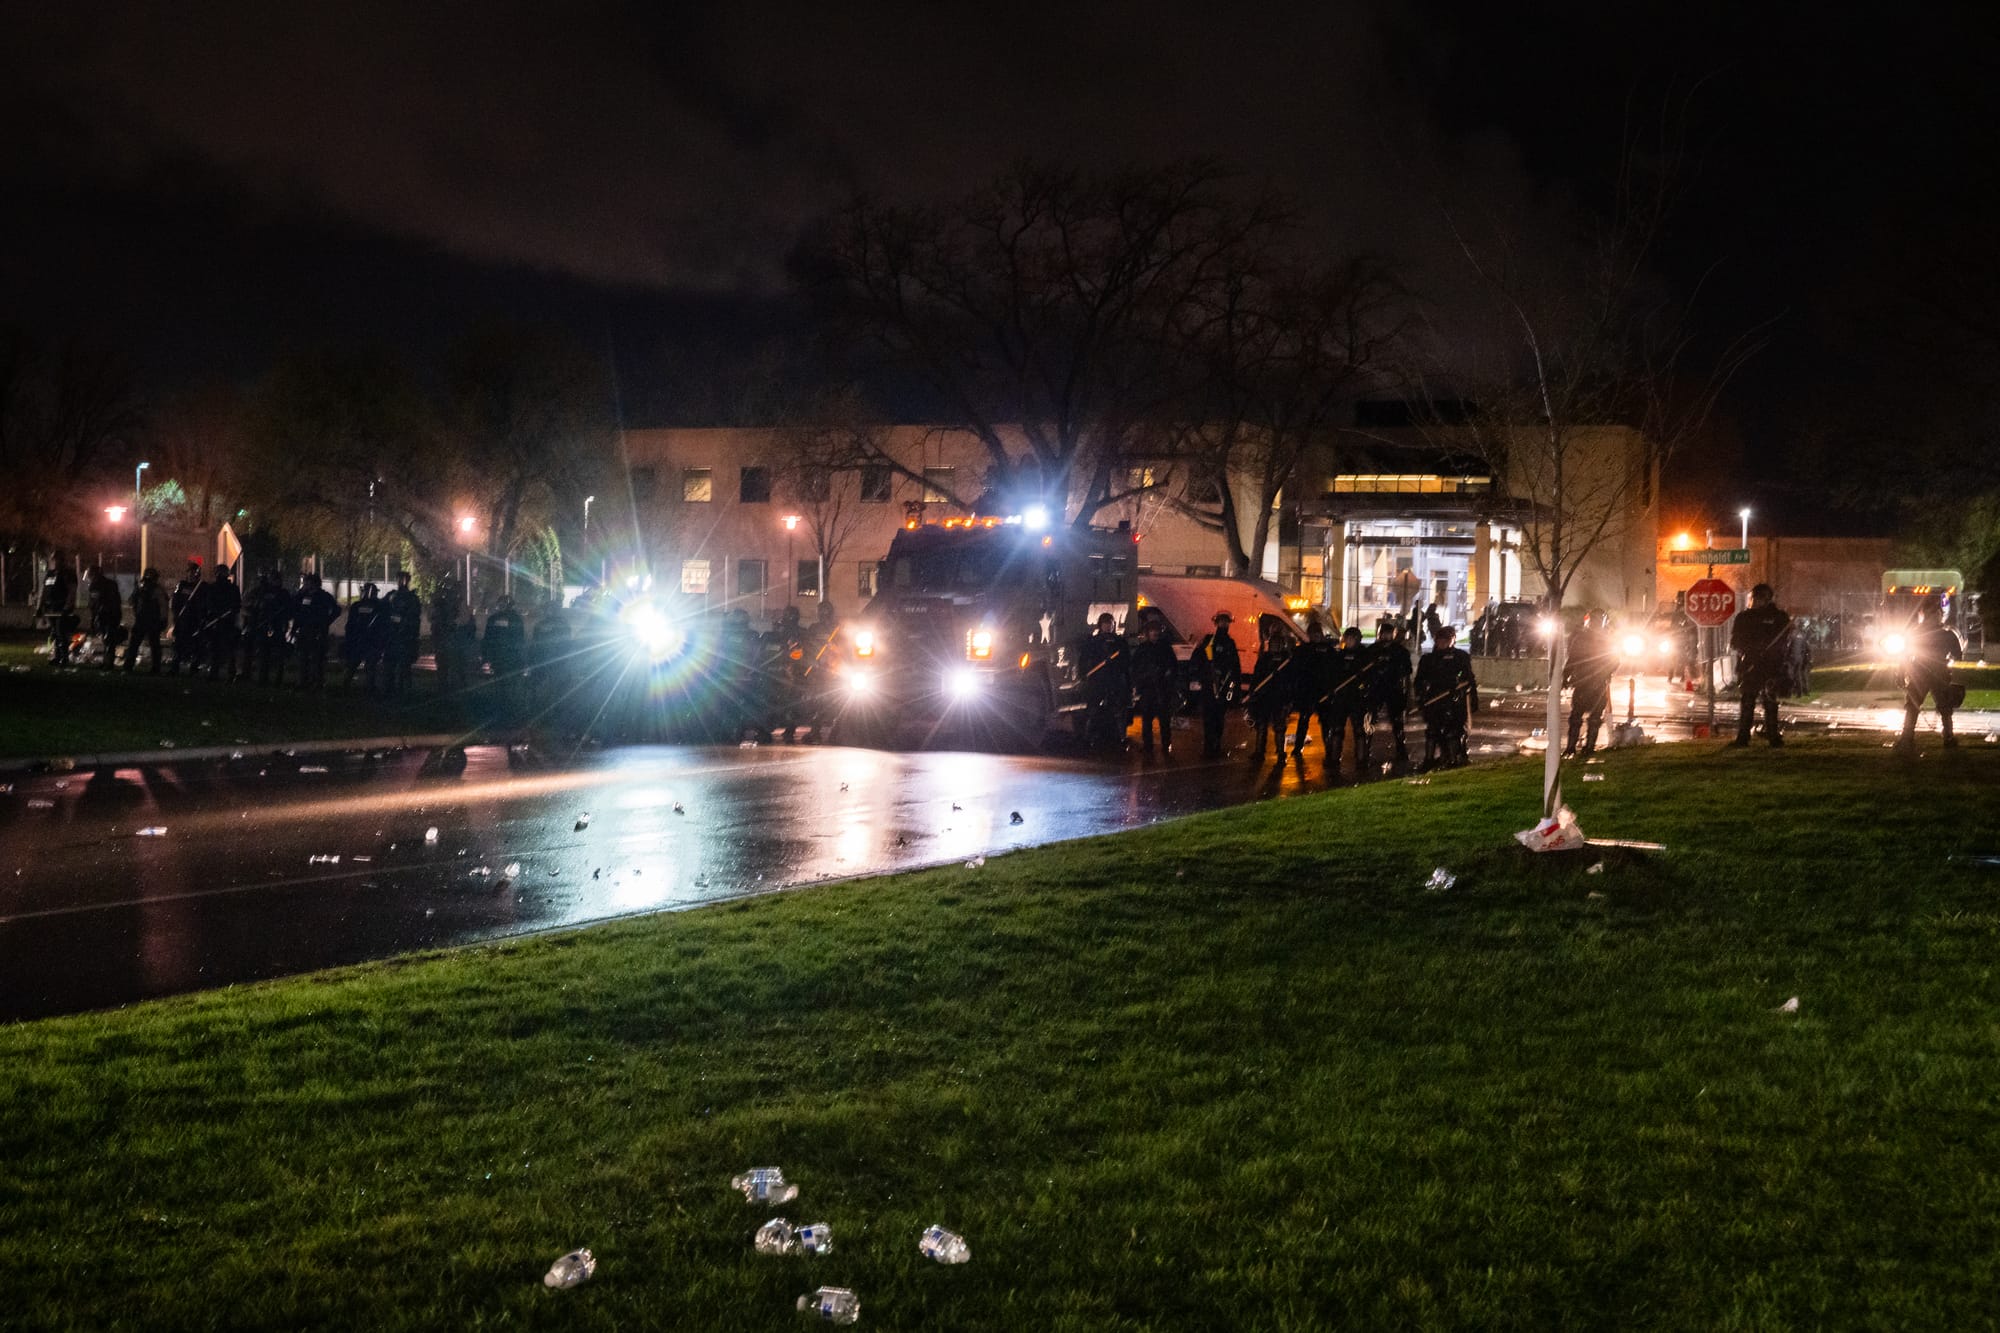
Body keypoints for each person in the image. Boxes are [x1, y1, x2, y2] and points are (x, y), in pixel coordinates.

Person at [1729, 582, 1792, 748]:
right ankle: (1743, 737)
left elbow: (1784, 640)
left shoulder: (1778, 617)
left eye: (1759, 598)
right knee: (1748, 701)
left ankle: (1773, 737)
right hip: (1750, 665)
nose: (1755, 601)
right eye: (1754, 598)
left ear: (1767, 599)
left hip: (1771, 667)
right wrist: (1752, 650)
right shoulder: (1744, 617)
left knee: (1770, 702)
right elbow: (1736, 641)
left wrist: (1769, 651)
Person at [1896, 599, 1963, 753]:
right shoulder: (1945, 634)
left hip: (1923, 672)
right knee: (1935, 706)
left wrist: (1901, 672)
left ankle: (1909, 738)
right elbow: (1958, 655)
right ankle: (1946, 737)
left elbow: (1905, 655)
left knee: (1923, 706)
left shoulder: (1917, 633)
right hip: (1934, 672)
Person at [1415, 624, 1479, 770]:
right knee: (1432, 731)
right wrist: (1421, 697)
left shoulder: (1460, 657)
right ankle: (1429, 759)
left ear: (1452, 640)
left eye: (1446, 640)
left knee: (1453, 731)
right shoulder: (1428, 659)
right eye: (1440, 640)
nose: (1442, 643)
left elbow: (1468, 678)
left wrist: (1471, 696)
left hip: (1454, 699)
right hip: (1434, 699)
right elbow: (1420, 680)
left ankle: (1454, 758)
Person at [1562, 610, 1616, 759]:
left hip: (1587, 682)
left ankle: (1574, 748)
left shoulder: (1585, 637)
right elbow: (1615, 661)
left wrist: (1566, 677)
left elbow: (1572, 659)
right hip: (1591, 683)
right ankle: (1584, 748)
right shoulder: (1604, 638)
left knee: (1581, 717)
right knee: (1588, 717)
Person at [1191, 610, 1241, 759]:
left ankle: (1216, 744)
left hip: (1223, 686)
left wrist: (1234, 689)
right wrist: (1203, 675)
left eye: (1226, 622)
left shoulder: (1230, 644)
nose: (1224, 624)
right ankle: (1207, 746)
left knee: (1219, 717)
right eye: (1221, 622)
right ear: (1216, 623)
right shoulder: (1208, 641)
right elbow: (1197, 659)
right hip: (1208, 686)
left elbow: (1235, 667)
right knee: (1208, 717)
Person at [1078, 612, 1131, 749]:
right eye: (1106, 623)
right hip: (1098, 680)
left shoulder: (1119, 642)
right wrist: (1084, 673)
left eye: (1111, 624)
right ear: (1101, 625)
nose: (1108, 626)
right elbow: (1084, 659)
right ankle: (1088, 738)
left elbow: (1126, 662)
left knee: (1118, 711)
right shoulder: (1093, 642)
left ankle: (1121, 739)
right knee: (1093, 710)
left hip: (1114, 680)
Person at [1366, 622, 1415, 769]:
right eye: (1383, 634)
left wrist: (1407, 694)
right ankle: (1365, 748)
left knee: (1397, 721)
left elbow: (1407, 671)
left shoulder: (1400, 651)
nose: (1385, 637)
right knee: (1370, 719)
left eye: (1388, 634)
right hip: (1376, 689)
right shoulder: (1373, 650)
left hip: (1394, 689)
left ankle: (1401, 748)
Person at [1244, 615, 1293, 761]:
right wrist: (1253, 692)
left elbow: (1290, 679)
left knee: (1279, 727)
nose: (1275, 647)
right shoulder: (1264, 658)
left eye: (1278, 644)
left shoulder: (1286, 659)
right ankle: (1259, 752)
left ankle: (1280, 754)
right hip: (1265, 697)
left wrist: (1288, 698)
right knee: (1261, 725)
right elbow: (1257, 676)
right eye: (1273, 644)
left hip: (1279, 697)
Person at [1324, 626, 1373, 771]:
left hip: (1357, 698)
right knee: (1337, 729)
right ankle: (1334, 758)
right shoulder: (1339, 656)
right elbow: (1333, 674)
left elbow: (1370, 676)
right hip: (1341, 697)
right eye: (1348, 638)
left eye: (1352, 638)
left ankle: (1361, 759)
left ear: (1358, 640)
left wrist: (1362, 683)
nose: (1349, 641)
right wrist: (1332, 689)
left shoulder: (1365, 656)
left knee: (1359, 730)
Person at [1130, 613, 1179, 757]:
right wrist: (1141, 681)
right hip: (1148, 690)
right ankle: (1148, 746)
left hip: (1162, 689)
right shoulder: (1143, 649)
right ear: (1147, 633)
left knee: (1164, 720)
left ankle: (1166, 744)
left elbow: (1173, 667)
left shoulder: (1165, 648)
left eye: (1156, 630)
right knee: (1147, 720)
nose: (1154, 633)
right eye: (1152, 631)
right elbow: (1135, 668)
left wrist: (1167, 677)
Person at [1287, 621, 1334, 758]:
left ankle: (1329, 749)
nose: (1316, 637)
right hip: (1308, 690)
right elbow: (1296, 668)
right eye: (1313, 634)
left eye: (1318, 634)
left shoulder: (1327, 650)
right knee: (1304, 719)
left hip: (1322, 691)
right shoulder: (1304, 650)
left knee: (1325, 722)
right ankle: (1298, 747)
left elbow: (1334, 668)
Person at [289, 573, 342, 690]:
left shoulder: (323, 596)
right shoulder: (302, 596)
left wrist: (326, 622)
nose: (305, 585)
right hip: (303, 630)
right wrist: (294, 628)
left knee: (317, 658)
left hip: (317, 631)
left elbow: (337, 610)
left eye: (307, 583)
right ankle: (303, 681)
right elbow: (295, 609)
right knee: (303, 657)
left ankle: (317, 682)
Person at [801, 601, 842, 742]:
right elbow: (807, 647)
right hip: (817, 671)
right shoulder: (814, 628)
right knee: (815, 702)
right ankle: (815, 730)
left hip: (833, 672)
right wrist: (809, 662)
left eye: (825, 611)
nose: (822, 614)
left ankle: (835, 731)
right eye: (821, 611)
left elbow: (845, 650)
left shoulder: (838, 629)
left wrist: (833, 651)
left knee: (834, 702)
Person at [245, 572, 290, 685]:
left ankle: (278, 679)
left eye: (278, 580)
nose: (276, 582)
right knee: (264, 653)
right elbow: (253, 606)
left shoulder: (283, 593)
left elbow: (288, 608)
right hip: (263, 625)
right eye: (274, 580)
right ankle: (262, 678)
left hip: (278, 626)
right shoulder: (262, 592)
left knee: (279, 655)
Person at [381, 571, 423, 695]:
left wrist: (411, 633)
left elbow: (415, 618)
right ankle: (390, 689)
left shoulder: (412, 598)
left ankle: (405, 690)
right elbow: (383, 610)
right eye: (399, 579)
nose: (401, 581)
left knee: (404, 666)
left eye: (404, 579)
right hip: (392, 636)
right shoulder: (391, 595)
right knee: (389, 665)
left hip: (406, 637)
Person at [124, 567, 170, 672]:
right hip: (148, 620)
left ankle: (130, 666)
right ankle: (153, 667)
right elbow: (132, 601)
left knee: (140, 644)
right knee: (150, 645)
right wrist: (163, 620)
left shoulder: (152, 589)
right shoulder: (152, 589)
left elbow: (132, 602)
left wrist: (163, 619)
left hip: (148, 620)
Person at [38, 555, 80, 666]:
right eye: (54, 560)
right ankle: (57, 656)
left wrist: (67, 607)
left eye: (58, 560)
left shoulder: (68, 574)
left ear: (63, 561)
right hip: (51, 608)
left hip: (62, 608)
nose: (55, 562)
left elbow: (72, 591)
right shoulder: (50, 574)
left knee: (61, 632)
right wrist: (40, 607)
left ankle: (64, 658)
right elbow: (44, 591)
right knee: (55, 633)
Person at [201, 566, 241, 679]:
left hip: (227, 622)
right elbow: (208, 604)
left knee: (225, 648)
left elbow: (236, 605)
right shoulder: (213, 588)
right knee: (217, 648)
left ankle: (229, 672)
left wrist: (226, 613)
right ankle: (217, 672)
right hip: (216, 622)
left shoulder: (232, 589)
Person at [342, 582, 383, 690]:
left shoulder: (359, 606)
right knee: (364, 665)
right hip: (364, 639)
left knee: (358, 664)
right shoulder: (377, 607)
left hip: (364, 639)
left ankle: (349, 685)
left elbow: (350, 624)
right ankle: (366, 686)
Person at [168, 561, 205, 675]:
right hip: (182, 619)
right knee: (178, 644)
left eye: (194, 573)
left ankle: (194, 668)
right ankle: (175, 667)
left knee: (195, 645)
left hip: (195, 620)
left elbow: (204, 603)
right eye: (190, 572)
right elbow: (175, 601)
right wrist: (176, 616)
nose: (192, 575)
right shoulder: (182, 585)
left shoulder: (202, 587)